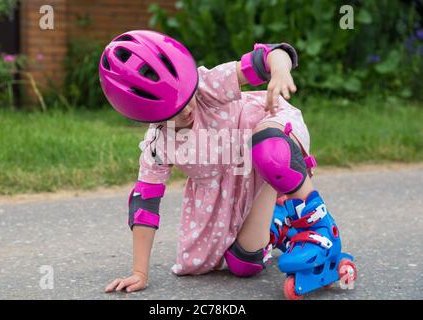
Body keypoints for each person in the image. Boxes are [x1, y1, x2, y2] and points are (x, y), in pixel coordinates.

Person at [99, 30, 355, 298]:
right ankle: (278, 224)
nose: (186, 110)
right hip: (241, 181)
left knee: (270, 153)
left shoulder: (207, 86)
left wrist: (280, 71)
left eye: (186, 97)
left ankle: (320, 231)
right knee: (243, 263)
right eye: (173, 112)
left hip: (269, 132)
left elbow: (272, 54)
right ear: (149, 115)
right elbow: (145, 204)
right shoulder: (158, 144)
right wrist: (140, 273)